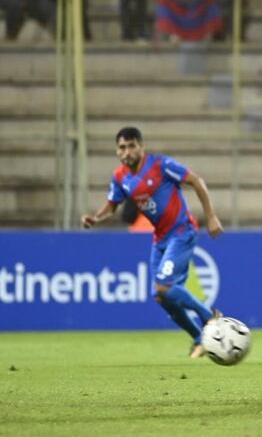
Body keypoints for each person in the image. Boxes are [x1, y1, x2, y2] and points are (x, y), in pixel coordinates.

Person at [81, 127, 224, 358]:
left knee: (163, 287)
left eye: (131, 146)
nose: (127, 151)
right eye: (122, 147)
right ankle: (199, 339)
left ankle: (209, 317)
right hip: (160, 239)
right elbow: (112, 205)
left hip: (181, 232)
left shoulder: (161, 165)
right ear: (117, 151)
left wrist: (211, 217)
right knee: (160, 296)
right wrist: (95, 218)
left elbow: (197, 181)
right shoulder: (120, 177)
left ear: (141, 147)